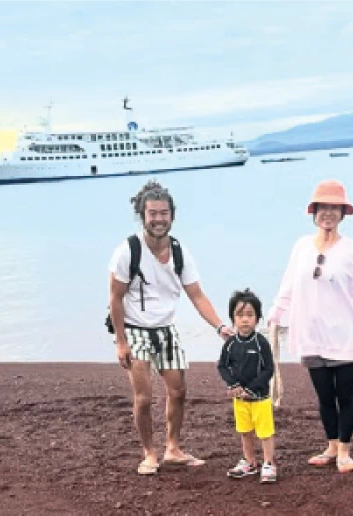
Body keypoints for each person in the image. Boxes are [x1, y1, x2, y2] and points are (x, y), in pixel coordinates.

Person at [108, 180, 234, 476]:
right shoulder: (128, 251)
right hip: (135, 329)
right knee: (143, 398)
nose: (158, 219)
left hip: (165, 329)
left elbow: (197, 295)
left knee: (178, 391)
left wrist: (220, 327)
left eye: (163, 213)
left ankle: (173, 448)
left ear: (172, 215)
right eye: (152, 213)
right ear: (142, 215)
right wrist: (121, 342)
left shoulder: (180, 252)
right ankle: (149, 453)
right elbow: (115, 298)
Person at [266, 179, 353, 474]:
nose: (328, 213)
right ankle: (331, 445)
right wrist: (276, 313)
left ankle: (345, 451)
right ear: (314, 212)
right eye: (322, 207)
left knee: (345, 396)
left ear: (342, 213)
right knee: (324, 396)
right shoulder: (301, 246)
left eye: (334, 208)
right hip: (311, 335)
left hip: (344, 335)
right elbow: (288, 284)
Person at [217, 289, 277, 483]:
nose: (245, 319)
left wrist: (252, 388)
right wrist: (233, 385)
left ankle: (268, 463)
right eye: (240, 315)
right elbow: (222, 366)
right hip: (240, 398)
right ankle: (249, 462)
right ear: (233, 318)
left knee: (265, 432)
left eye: (250, 315)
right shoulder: (230, 344)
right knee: (244, 431)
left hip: (260, 398)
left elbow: (268, 369)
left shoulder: (261, 343)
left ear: (257, 318)